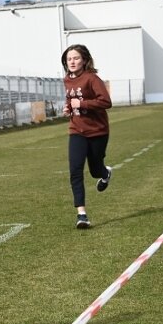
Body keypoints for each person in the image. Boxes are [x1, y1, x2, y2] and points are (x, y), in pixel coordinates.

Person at [61, 44, 113, 229]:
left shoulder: (92, 78)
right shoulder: (67, 80)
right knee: (75, 170)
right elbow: (71, 101)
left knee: (95, 171)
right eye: (69, 59)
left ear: (84, 59)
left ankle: (105, 173)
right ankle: (81, 214)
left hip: (98, 131)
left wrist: (82, 103)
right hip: (76, 130)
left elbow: (106, 102)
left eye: (76, 58)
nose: (72, 62)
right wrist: (68, 108)